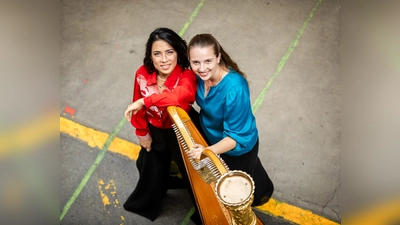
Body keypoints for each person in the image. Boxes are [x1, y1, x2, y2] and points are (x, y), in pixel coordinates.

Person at [187, 33, 274, 206]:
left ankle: (258, 196)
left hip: (236, 149)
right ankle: (263, 188)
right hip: (213, 136)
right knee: (251, 170)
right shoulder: (197, 74)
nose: (202, 68)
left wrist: (207, 151)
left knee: (235, 188)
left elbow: (235, 137)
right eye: (195, 62)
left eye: (208, 61)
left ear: (218, 57)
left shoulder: (235, 88)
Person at [123, 27, 199, 222]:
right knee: (150, 167)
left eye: (169, 52)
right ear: (150, 56)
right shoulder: (142, 73)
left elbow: (177, 97)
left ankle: (205, 212)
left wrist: (146, 101)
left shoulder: (187, 76)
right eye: (157, 53)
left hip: (183, 130)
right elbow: (136, 106)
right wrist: (142, 133)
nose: (164, 59)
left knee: (196, 175)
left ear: (178, 53)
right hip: (155, 129)